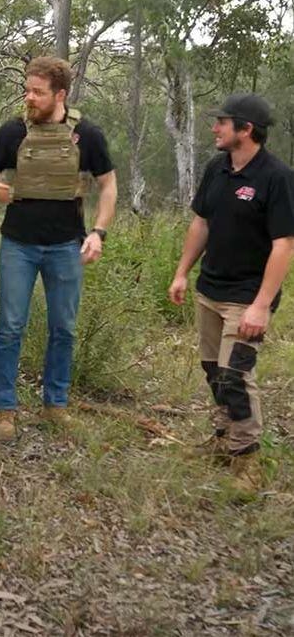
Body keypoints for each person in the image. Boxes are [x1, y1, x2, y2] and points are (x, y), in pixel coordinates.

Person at [0, 56, 117, 441]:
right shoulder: (13, 131)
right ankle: (4, 410)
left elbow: (108, 185)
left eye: (37, 92)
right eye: (27, 90)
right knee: (10, 328)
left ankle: (55, 405)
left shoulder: (87, 134)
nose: (29, 98)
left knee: (63, 329)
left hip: (66, 246)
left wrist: (98, 232)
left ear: (61, 95)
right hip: (18, 245)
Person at [168, 92, 294, 494]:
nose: (214, 128)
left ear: (246, 129)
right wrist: (182, 272)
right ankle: (223, 439)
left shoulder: (277, 177)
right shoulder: (216, 168)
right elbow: (201, 223)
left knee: (236, 376)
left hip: (247, 297)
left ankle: (248, 461)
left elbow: (284, 245)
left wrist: (261, 305)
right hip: (210, 288)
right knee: (214, 371)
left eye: (222, 122)